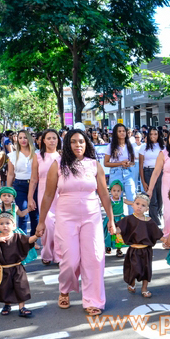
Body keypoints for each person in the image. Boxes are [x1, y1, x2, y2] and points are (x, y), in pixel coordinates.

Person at [36, 128, 116, 316]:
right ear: (67, 144)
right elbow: (48, 195)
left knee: (94, 259)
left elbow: (104, 194)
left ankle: (93, 300)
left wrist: (111, 220)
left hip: (92, 218)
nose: (77, 145)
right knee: (70, 261)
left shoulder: (94, 165)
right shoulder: (58, 165)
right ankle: (65, 289)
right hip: (66, 218)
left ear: (86, 144)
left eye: (81, 141)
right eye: (73, 141)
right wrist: (41, 222)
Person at [0, 213, 37, 317]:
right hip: (4, 268)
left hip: (17, 267)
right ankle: (7, 305)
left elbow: (28, 241)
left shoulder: (18, 236)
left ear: (14, 226)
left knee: (21, 286)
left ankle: (22, 307)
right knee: (5, 287)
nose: (5, 225)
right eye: (2, 224)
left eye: (8, 223)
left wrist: (36, 236)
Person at [115, 193, 163, 298]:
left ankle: (144, 288)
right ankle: (132, 284)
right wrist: (115, 229)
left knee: (146, 270)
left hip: (146, 250)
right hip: (134, 250)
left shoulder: (149, 221)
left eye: (143, 205)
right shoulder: (128, 219)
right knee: (133, 269)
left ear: (147, 209)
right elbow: (119, 228)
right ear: (132, 205)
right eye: (137, 204)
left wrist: (166, 240)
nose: (139, 207)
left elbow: (157, 234)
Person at [29, 129, 62, 265]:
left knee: (59, 225)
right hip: (44, 194)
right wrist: (30, 197)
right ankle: (47, 253)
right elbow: (33, 179)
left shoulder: (62, 156)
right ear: (43, 141)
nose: (52, 141)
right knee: (47, 225)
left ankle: (59, 255)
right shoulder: (37, 156)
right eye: (49, 138)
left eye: (54, 138)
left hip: (60, 193)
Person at [6, 129, 37, 234]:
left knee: (35, 214)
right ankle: (22, 239)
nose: (23, 140)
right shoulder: (13, 155)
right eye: (20, 138)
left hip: (35, 185)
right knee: (23, 214)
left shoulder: (37, 154)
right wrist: (8, 190)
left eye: (25, 137)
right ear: (17, 140)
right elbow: (10, 174)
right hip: (19, 185)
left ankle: (33, 239)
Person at [104, 123, 136, 214]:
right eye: (119, 131)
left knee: (132, 196)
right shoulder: (111, 146)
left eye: (123, 131)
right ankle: (118, 219)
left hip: (128, 173)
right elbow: (106, 163)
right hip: (115, 173)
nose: (122, 133)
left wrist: (128, 164)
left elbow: (133, 162)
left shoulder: (130, 145)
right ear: (116, 133)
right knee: (117, 198)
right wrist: (120, 163)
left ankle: (132, 219)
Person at [139, 128, 165, 225]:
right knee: (152, 198)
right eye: (151, 134)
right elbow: (140, 165)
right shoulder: (144, 147)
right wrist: (143, 181)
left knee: (160, 197)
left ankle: (159, 215)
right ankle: (155, 222)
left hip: (160, 173)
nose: (153, 136)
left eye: (155, 134)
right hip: (148, 172)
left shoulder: (163, 147)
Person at [104, 181, 132, 257]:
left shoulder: (122, 199)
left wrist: (136, 204)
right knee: (109, 234)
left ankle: (118, 249)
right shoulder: (109, 200)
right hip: (111, 219)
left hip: (120, 219)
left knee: (119, 235)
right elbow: (103, 204)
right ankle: (108, 246)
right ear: (110, 191)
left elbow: (130, 202)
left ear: (121, 192)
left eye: (118, 191)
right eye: (114, 191)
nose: (116, 193)